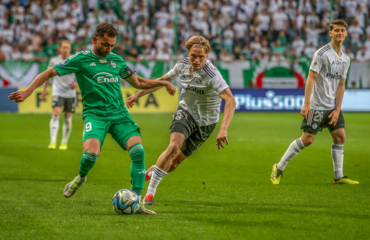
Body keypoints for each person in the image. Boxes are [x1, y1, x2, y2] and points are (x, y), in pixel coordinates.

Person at [8, 23, 177, 214]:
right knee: (91, 155)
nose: (109, 49)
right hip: (95, 115)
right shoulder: (80, 59)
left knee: (138, 151)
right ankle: (80, 178)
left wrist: (162, 82)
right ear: (95, 40)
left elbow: (138, 82)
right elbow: (50, 72)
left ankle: (136, 202)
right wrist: (28, 91)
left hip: (119, 114)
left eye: (112, 45)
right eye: (106, 44)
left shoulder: (116, 61)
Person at [126, 36, 236, 205]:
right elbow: (162, 81)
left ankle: (155, 170)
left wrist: (223, 129)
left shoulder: (212, 74)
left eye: (201, 57)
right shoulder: (182, 65)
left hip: (206, 123)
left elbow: (230, 100)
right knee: (173, 146)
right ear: (188, 53)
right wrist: (138, 94)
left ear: (207, 56)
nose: (197, 60)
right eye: (193, 55)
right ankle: (150, 193)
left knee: (175, 163)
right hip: (186, 112)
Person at [270, 20, 359, 185]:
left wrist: (338, 108)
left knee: (340, 137)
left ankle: (338, 176)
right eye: (336, 30)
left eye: (342, 31)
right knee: (307, 140)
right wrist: (306, 103)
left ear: (346, 34)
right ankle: (279, 167)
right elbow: (311, 78)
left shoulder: (345, 59)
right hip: (317, 105)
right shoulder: (322, 53)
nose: (340, 33)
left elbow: (341, 84)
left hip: (332, 106)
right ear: (330, 33)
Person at [41, 40, 77, 150]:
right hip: (57, 91)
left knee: (67, 118)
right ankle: (52, 141)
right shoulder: (54, 61)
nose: (65, 49)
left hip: (70, 93)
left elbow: (81, 75)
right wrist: (44, 90)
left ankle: (64, 142)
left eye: (67, 48)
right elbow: (47, 75)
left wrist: (77, 83)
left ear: (70, 49)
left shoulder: (74, 60)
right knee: (56, 113)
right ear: (60, 49)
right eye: (64, 47)